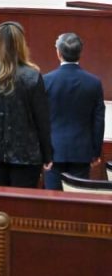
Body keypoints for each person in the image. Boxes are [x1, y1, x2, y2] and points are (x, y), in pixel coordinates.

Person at [0, 21, 52, 188]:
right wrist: (47, 154)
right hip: (27, 156)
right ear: (22, 45)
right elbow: (42, 120)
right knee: (22, 203)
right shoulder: (32, 76)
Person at [43, 32, 105, 189]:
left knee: (53, 200)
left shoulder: (46, 81)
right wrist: (96, 152)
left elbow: (40, 118)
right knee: (77, 199)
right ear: (80, 53)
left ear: (58, 53)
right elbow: (98, 120)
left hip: (53, 152)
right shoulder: (94, 83)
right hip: (81, 152)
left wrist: (42, 152)